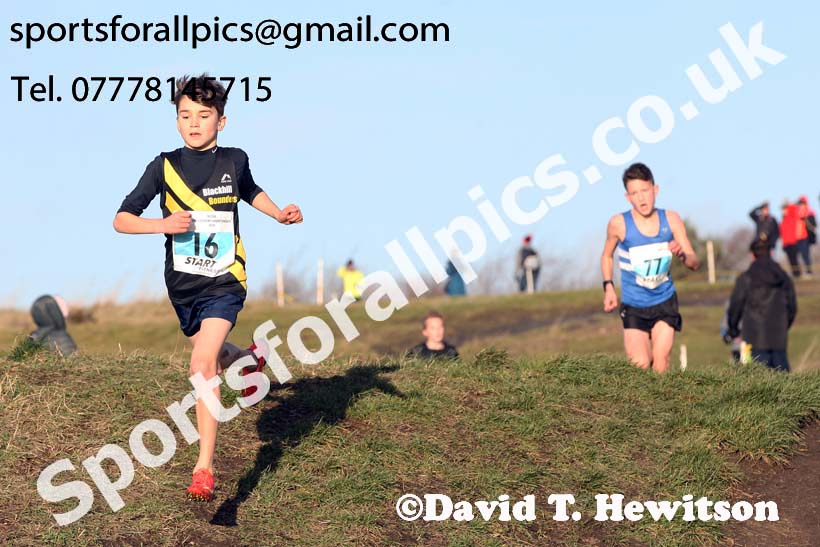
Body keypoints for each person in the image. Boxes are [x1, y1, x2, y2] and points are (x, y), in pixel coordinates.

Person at [113, 75, 303, 501]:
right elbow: (121, 219)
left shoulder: (234, 160)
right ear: (176, 121)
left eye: (203, 115)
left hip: (225, 280)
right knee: (215, 355)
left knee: (201, 365)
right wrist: (160, 225)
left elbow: (250, 190)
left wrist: (278, 214)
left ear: (222, 120)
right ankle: (249, 360)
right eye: (185, 115)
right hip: (183, 286)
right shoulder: (162, 166)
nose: (194, 123)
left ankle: (204, 467)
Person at [601, 162, 700, 373]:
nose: (641, 198)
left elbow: (694, 262)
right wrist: (608, 286)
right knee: (641, 364)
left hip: (664, 300)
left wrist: (682, 253)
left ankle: (665, 404)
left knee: (661, 360)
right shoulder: (619, 224)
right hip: (634, 304)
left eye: (645, 191)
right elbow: (607, 256)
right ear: (628, 197)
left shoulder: (671, 219)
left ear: (655, 189)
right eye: (634, 193)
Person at [726, 239, 797, 372]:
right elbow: (792, 307)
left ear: (752, 255)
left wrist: (733, 329)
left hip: (753, 337)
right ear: (770, 253)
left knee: (757, 384)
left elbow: (735, 305)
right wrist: (784, 325)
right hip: (779, 338)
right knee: (783, 384)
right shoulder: (783, 277)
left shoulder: (746, 277)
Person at [795, 195, 815, 278]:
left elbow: (813, 227)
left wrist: (806, 220)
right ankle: (800, 272)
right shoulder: (797, 213)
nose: (801, 205)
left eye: (802, 203)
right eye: (800, 203)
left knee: (805, 255)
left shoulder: (809, 213)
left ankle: (809, 271)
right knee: (799, 255)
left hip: (805, 237)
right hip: (797, 238)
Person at [780, 201, 800, 277]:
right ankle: (795, 274)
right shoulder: (783, 220)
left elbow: (795, 208)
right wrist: (784, 244)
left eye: (785, 209)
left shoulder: (792, 216)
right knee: (790, 260)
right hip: (786, 243)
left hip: (793, 242)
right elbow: (783, 234)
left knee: (794, 259)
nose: (783, 211)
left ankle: (797, 273)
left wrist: (789, 204)